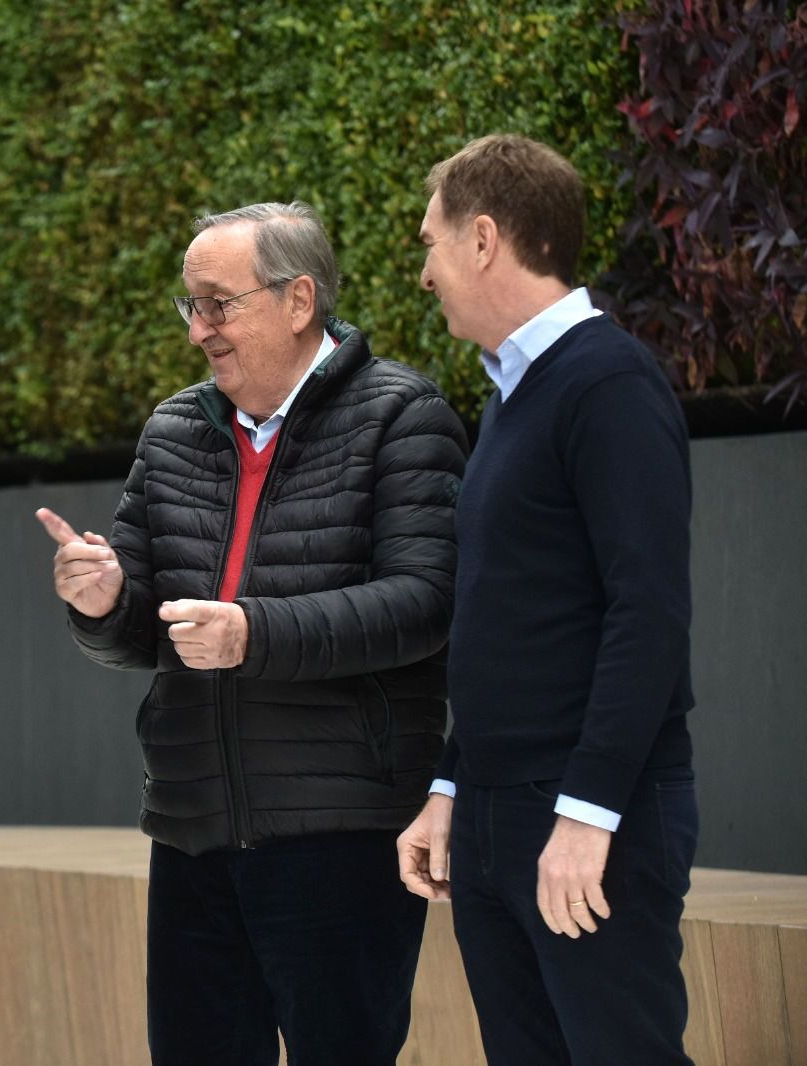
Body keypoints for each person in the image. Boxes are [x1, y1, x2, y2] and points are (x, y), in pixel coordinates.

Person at [37, 201, 467, 1064]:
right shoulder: (173, 430)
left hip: (340, 833)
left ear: (298, 298)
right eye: (190, 307)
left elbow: (426, 603)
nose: (199, 330)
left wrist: (253, 634)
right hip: (193, 825)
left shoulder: (403, 416)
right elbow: (139, 630)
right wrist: (101, 599)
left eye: (217, 304)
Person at [396, 133, 698, 1064]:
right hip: (496, 814)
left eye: (431, 242)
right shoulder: (510, 396)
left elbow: (647, 612)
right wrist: (453, 783)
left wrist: (588, 813)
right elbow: (507, 617)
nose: (424, 273)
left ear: (484, 239)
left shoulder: (607, 385)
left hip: (581, 818)